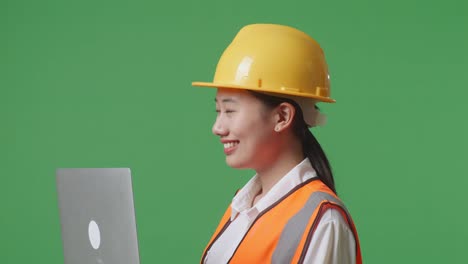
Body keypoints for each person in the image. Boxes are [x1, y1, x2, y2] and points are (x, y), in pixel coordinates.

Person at [192, 24, 362, 264]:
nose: (217, 127)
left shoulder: (324, 220)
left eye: (230, 110)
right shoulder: (243, 206)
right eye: (218, 110)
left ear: (282, 117)